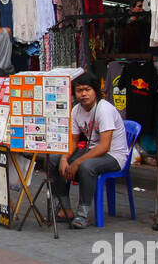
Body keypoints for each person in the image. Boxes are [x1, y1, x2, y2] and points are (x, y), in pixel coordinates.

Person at [45, 71, 131, 228]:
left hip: (114, 155)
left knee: (86, 166)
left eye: (87, 89)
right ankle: (65, 209)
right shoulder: (76, 110)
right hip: (91, 151)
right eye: (79, 90)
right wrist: (64, 159)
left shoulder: (104, 110)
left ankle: (83, 215)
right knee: (54, 159)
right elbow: (73, 141)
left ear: (95, 91)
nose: (83, 94)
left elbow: (104, 147)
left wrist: (77, 162)